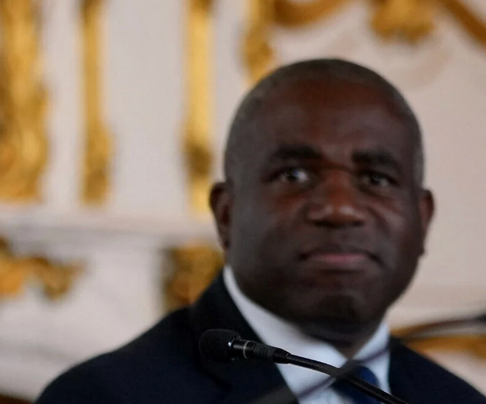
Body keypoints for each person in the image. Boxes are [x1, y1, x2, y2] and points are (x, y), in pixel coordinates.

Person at [37, 59, 486, 404]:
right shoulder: (107, 396)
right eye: (294, 176)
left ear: (423, 219)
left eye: (376, 180)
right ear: (226, 214)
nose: (340, 208)